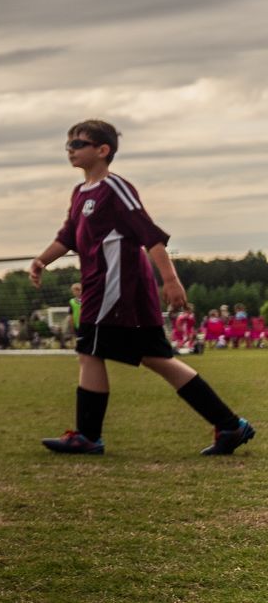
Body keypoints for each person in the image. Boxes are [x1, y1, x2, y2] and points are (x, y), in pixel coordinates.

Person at [28, 120, 253, 456]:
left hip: (116, 291)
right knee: (154, 358)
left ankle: (88, 437)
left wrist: (171, 280)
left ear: (102, 150)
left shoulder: (115, 189)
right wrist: (41, 260)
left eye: (78, 143)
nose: (70, 149)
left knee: (91, 351)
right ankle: (230, 425)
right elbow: (68, 236)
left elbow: (151, 235)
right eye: (68, 144)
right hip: (103, 290)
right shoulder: (80, 193)